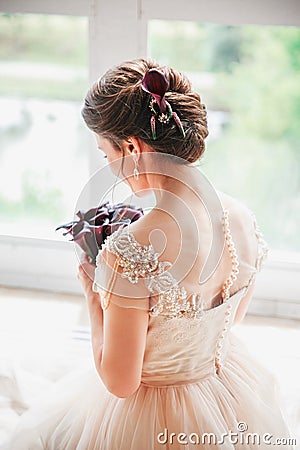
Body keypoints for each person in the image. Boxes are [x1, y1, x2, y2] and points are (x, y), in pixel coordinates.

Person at [4, 58, 294, 449]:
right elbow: (231, 321)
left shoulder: (131, 250)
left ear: (132, 147)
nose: (110, 167)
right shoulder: (242, 218)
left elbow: (121, 383)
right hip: (225, 395)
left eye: (107, 156)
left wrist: (93, 298)